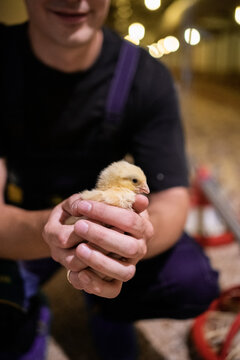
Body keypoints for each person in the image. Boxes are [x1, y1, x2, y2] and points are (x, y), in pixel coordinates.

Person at [0, 0, 220, 359]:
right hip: (20, 229)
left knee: (191, 280)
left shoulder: (146, 76)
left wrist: (137, 237)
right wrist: (58, 231)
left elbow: (173, 199)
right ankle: (27, 305)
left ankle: (109, 306)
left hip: (107, 234)